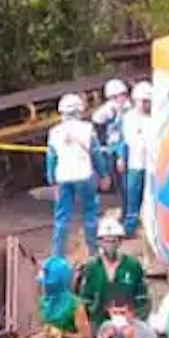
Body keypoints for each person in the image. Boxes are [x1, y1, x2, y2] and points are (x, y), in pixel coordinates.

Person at [46, 93, 99, 259]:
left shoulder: (54, 132)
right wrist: (104, 174)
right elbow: (96, 153)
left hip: (63, 176)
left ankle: (57, 254)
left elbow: (51, 157)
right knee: (90, 212)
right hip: (84, 174)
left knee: (61, 217)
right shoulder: (88, 128)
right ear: (80, 110)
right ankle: (93, 251)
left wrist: (51, 179)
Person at [77, 217, 150, 319]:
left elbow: (143, 299)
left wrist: (132, 314)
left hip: (128, 323)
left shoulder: (132, 265)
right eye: (106, 241)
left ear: (120, 242)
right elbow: (84, 300)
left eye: (113, 241)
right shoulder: (91, 267)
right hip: (98, 323)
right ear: (99, 242)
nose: (110, 245)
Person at [120, 81, 153, 234]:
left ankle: (149, 227)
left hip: (152, 164)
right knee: (133, 197)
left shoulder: (155, 117)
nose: (146, 105)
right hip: (136, 163)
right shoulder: (129, 118)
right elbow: (128, 140)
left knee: (150, 197)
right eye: (143, 101)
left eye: (148, 101)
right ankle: (129, 228)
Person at [92, 78, 130, 188]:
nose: (123, 97)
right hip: (111, 144)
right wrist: (103, 144)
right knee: (111, 168)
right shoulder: (107, 110)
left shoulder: (128, 107)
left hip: (124, 142)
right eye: (120, 95)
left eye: (124, 94)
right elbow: (98, 125)